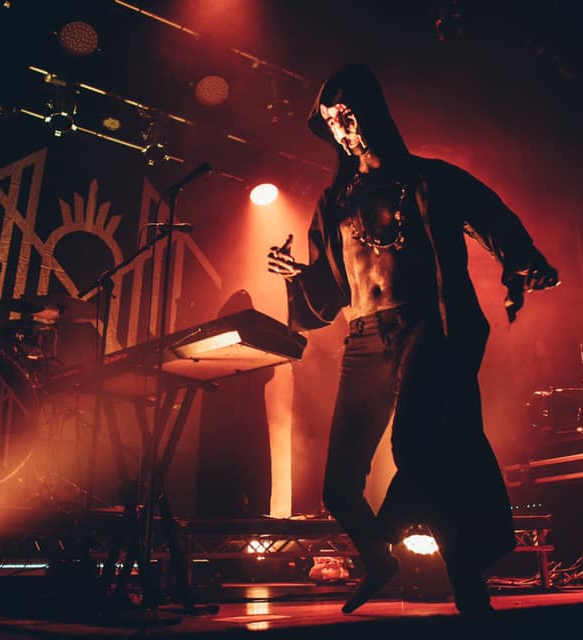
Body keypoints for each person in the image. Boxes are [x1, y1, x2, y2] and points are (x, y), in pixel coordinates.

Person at [266, 64, 559, 614]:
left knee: (418, 446)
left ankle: (453, 569)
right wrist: (295, 275)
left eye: (346, 115)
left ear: (371, 112)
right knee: (338, 487)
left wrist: (525, 262)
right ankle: (382, 559)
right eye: (330, 121)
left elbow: (492, 216)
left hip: (423, 326)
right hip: (363, 338)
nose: (341, 129)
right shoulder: (335, 202)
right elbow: (328, 295)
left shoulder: (431, 179)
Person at [195, 289, 274, 518]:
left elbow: (267, 373)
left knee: (249, 474)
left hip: (245, 423)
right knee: (230, 476)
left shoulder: (251, 341)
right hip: (228, 426)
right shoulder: (217, 344)